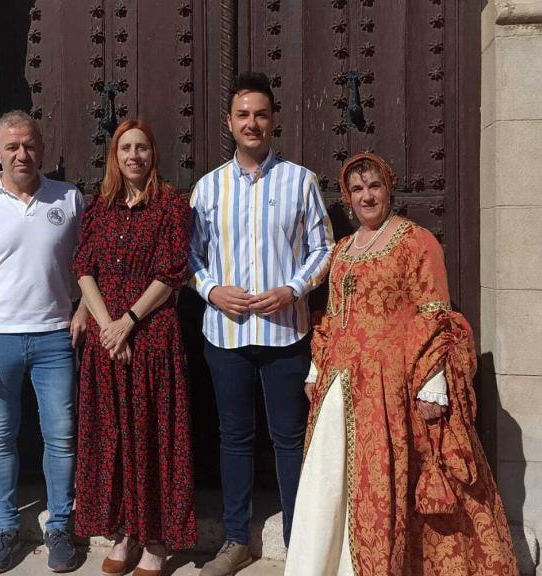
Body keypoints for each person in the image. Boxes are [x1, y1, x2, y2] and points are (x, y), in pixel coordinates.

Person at [283, 152, 518, 575]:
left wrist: (433, 383)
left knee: (391, 479)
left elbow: (434, 314)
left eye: (374, 186)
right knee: (329, 477)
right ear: (348, 198)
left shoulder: (416, 241)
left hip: (394, 383)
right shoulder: (343, 250)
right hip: (341, 381)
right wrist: (317, 370)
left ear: (389, 189)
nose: (366, 196)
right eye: (357, 189)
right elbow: (334, 316)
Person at [188, 72, 334, 576]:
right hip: (226, 334)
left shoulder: (300, 181)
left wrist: (292, 289)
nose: (252, 123)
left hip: (285, 332)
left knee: (289, 438)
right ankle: (235, 540)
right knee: (233, 437)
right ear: (229, 123)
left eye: (261, 114)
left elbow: (323, 249)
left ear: (273, 120)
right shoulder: (208, 188)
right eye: (243, 114)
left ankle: (299, 542)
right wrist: (212, 290)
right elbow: (189, 256)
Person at [0, 110, 86, 573]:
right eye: (12, 147)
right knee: (0, 436)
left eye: (29, 145)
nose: (21, 154)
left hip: (54, 337)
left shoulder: (68, 198)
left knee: (60, 435)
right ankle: (4, 527)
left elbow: (88, 264)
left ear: (41, 148)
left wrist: (85, 311)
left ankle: (60, 526)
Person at [72, 119, 196, 575]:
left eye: (142, 147)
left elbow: (170, 273)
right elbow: (84, 269)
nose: (134, 156)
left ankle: (157, 541)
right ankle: (125, 532)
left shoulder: (171, 206)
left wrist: (128, 322)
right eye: (125, 148)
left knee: (152, 439)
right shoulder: (99, 207)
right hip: (107, 341)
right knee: (115, 439)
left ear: (153, 154)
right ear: (115, 155)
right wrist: (107, 327)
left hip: (152, 337)